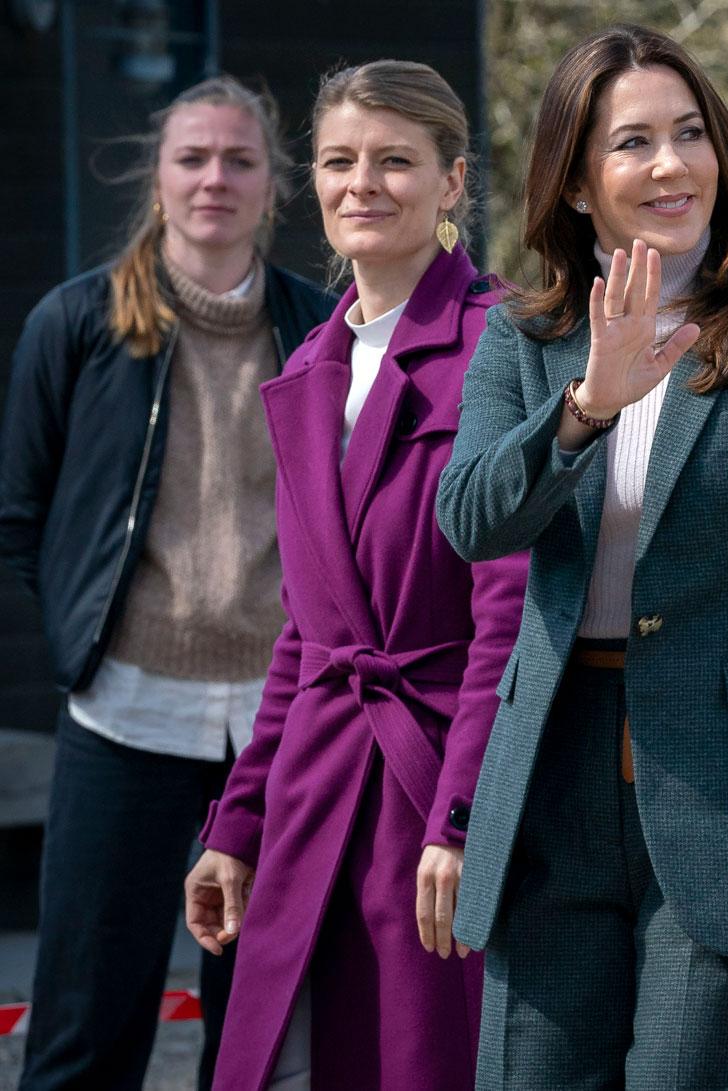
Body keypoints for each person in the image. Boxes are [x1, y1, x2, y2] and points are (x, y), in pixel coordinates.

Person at [436, 23, 728, 1090]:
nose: (671, 164)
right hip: (550, 783)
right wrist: (589, 403)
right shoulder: (523, 338)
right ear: (581, 183)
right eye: (633, 142)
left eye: (691, 133)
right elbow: (470, 519)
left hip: (725, 807)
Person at [182, 60, 526, 1091]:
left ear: (453, 181)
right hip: (311, 791)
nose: (362, 184)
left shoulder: (505, 344)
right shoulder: (303, 374)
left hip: (426, 795)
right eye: (339, 161)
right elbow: (307, 634)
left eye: (395, 161)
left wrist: (465, 816)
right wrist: (236, 825)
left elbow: (508, 619)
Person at [0, 76, 333, 1091]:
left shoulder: (320, 330)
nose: (214, 179)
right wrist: (82, 643)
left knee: (258, 1038)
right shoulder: (76, 323)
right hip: (126, 714)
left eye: (238, 159)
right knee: (85, 1024)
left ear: (272, 184)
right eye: (193, 158)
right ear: (157, 175)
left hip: (278, 729)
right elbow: (22, 516)